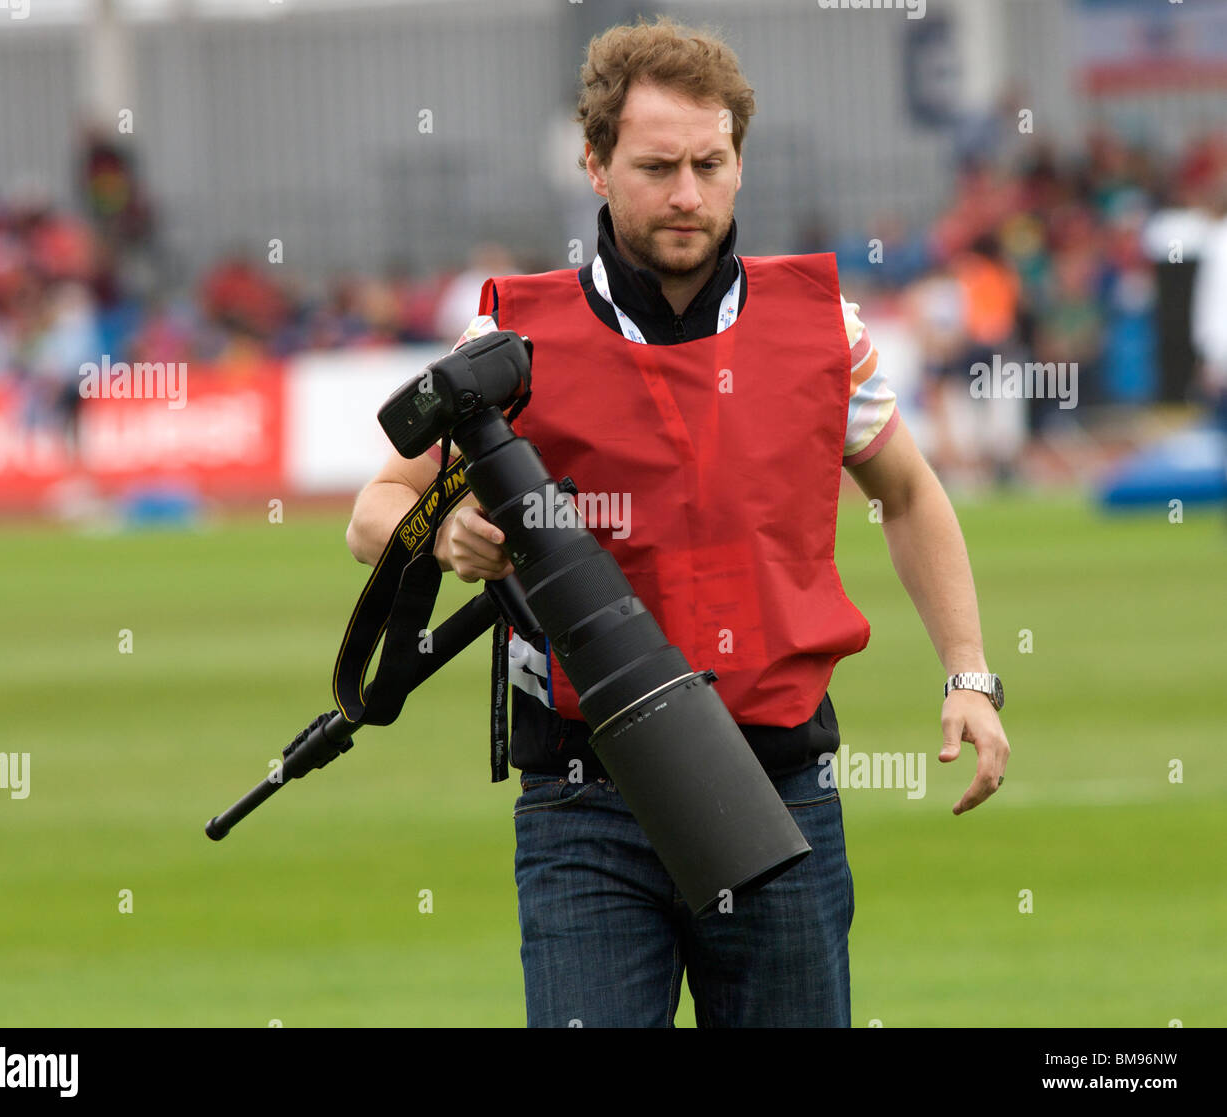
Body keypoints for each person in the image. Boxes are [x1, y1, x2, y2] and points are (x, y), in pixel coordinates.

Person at [346, 15, 1010, 1028]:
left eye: (711, 161)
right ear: (595, 165)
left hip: (779, 787)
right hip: (583, 801)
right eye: (658, 166)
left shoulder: (825, 331)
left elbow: (910, 495)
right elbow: (376, 506)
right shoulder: (511, 337)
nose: (688, 193)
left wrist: (968, 675)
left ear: (740, 159)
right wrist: (442, 536)